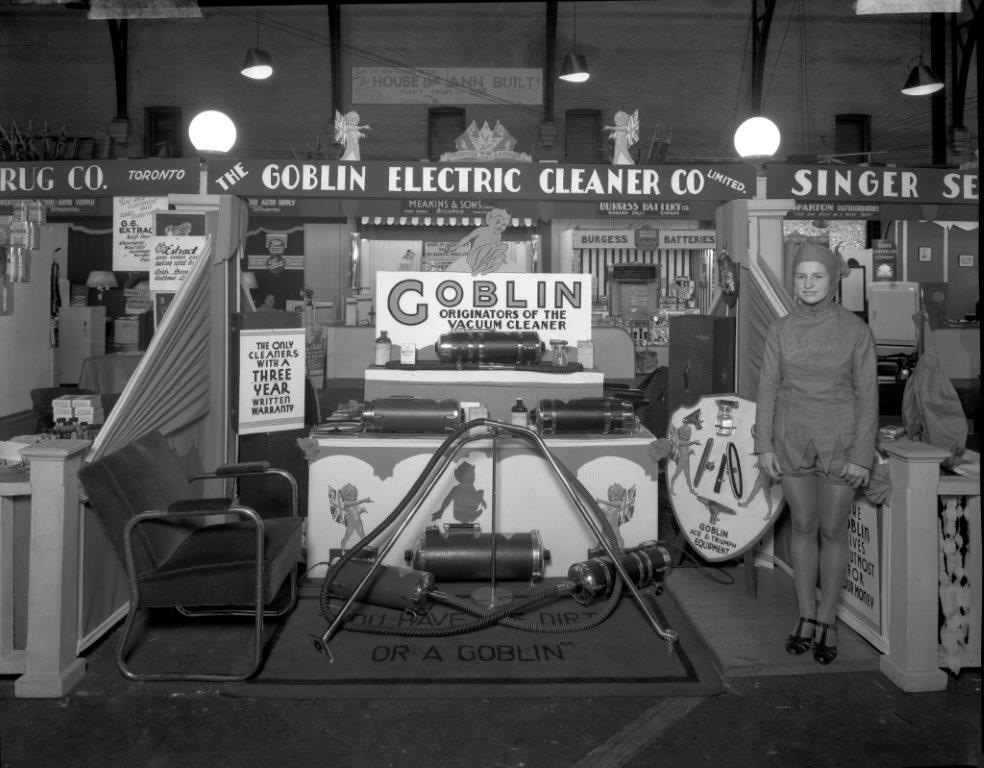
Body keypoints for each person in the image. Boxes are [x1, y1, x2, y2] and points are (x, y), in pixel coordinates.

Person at [754, 241, 878, 665]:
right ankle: (805, 614)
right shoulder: (780, 329)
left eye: (817, 275)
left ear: (833, 279)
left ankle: (827, 619)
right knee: (802, 527)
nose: (808, 284)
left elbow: (867, 395)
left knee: (832, 530)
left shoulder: (856, 331)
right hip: (790, 441)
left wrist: (863, 454)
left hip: (841, 444)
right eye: (802, 276)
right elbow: (768, 389)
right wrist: (763, 445)